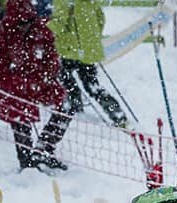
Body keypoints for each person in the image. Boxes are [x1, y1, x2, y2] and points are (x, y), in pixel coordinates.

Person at [0, 0, 68, 171]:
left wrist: (46, 76)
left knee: (66, 105)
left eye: (28, 22)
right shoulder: (0, 33)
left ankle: (44, 148)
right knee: (19, 116)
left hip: (40, 82)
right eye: (21, 22)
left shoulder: (41, 30)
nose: (25, 26)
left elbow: (51, 58)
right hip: (13, 87)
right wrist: (18, 82)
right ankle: (26, 160)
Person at [47, 0, 128, 128]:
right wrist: (91, 39)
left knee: (65, 79)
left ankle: (74, 106)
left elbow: (60, 23)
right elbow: (101, 19)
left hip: (70, 49)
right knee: (92, 85)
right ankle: (117, 114)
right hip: (88, 49)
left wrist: (44, 28)